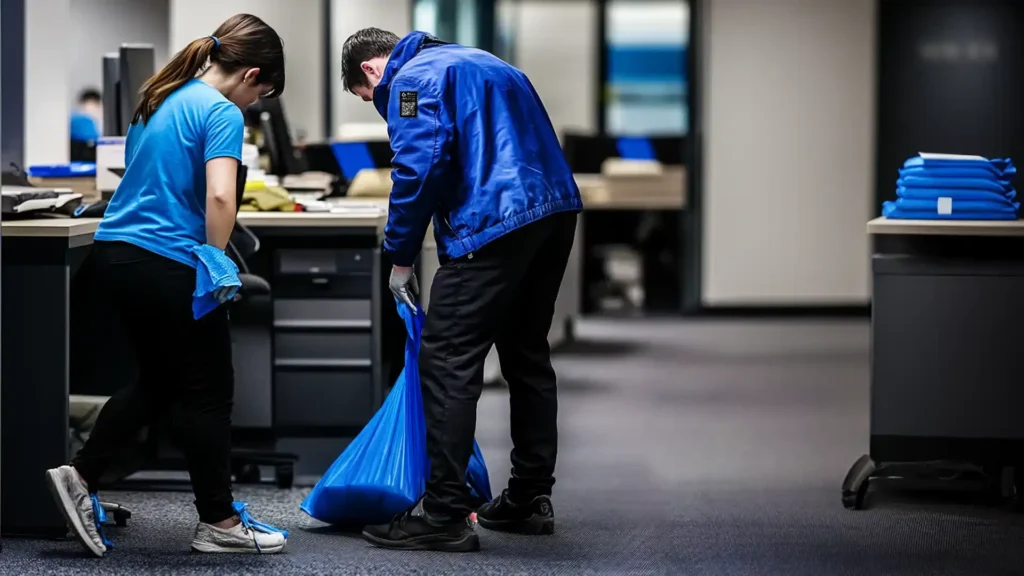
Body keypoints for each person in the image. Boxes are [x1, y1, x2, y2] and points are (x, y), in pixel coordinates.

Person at [44, 14, 289, 557]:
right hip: (166, 260)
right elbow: (222, 197)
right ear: (250, 74)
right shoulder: (221, 111)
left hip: (117, 258)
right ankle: (220, 524)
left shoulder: (160, 96)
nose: (255, 105)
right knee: (208, 392)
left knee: (159, 381)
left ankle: (79, 476)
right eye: (261, 94)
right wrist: (214, 258)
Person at [340, 28, 583, 552]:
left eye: (369, 100)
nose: (380, 106)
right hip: (553, 212)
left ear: (369, 71)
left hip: (493, 221)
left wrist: (400, 256)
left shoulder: (408, 82)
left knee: (447, 361)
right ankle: (528, 499)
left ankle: (443, 513)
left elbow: (418, 166)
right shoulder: (489, 64)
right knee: (526, 355)